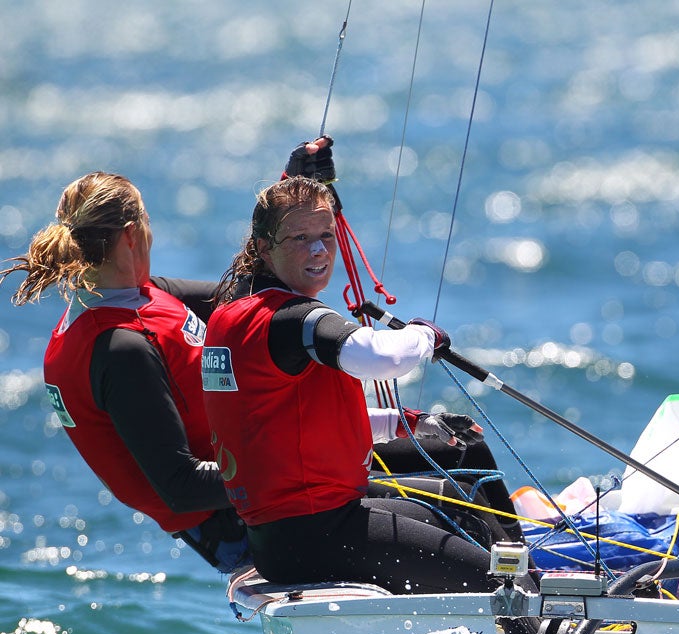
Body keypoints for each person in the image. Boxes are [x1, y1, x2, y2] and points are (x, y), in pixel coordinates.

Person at [201, 171, 534, 597]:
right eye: (300, 238)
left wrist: (405, 424)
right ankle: (537, 630)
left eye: (326, 234)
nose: (319, 249)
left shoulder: (236, 314)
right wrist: (425, 335)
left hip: (288, 536)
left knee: (461, 511)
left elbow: (300, 426)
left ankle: (512, 601)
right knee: (506, 582)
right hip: (317, 533)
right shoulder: (289, 319)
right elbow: (378, 356)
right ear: (264, 248)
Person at [0, 172, 250, 573]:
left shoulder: (144, 295)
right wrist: (297, 465)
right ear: (133, 235)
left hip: (258, 477)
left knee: (385, 446)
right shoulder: (119, 347)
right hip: (238, 525)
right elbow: (181, 489)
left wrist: (294, 195)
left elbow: (248, 295)